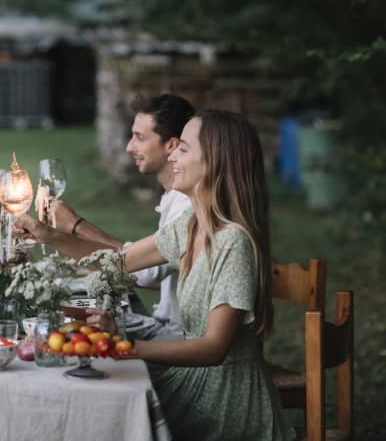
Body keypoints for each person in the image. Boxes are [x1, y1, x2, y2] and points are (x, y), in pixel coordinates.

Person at [16, 109, 294, 440]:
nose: (173, 153)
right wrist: (49, 236)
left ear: (216, 162)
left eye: (185, 148)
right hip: (192, 379)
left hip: (224, 400)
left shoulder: (232, 241)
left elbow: (213, 347)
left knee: (100, 411)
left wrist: (125, 346)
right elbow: (116, 262)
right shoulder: (191, 226)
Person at [53, 93, 194, 340]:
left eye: (139, 138)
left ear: (171, 145)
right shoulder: (173, 197)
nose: (130, 147)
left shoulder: (187, 205)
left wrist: (75, 227)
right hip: (163, 325)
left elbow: (144, 271)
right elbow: (151, 271)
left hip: (177, 338)